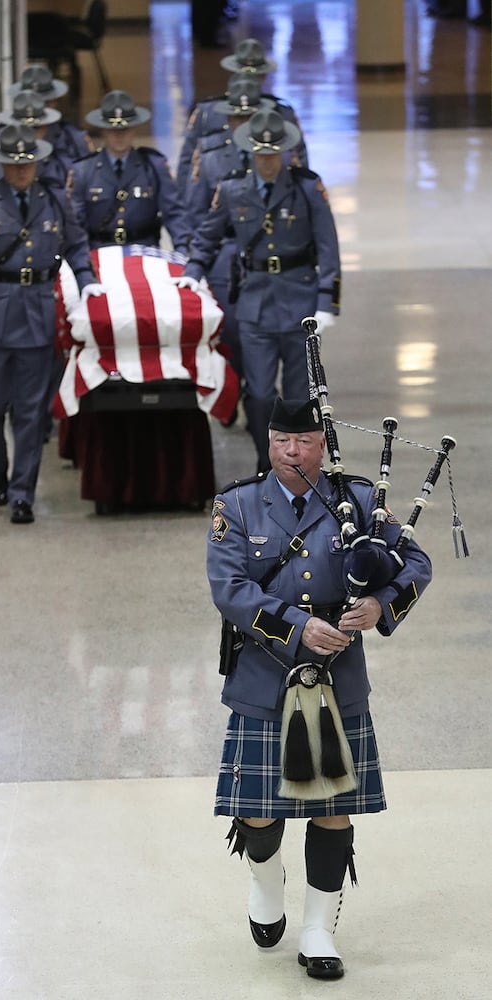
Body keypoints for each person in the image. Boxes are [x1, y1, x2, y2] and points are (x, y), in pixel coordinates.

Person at [207, 396, 432, 980]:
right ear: (269, 442)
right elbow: (229, 587)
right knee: (257, 812)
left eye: (304, 441)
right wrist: (297, 626)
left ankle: (318, 931)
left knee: (332, 811)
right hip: (264, 674)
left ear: (323, 445)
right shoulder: (237, 505)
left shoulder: (357, 501)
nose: (292, 452)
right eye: (282, 440)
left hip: (339, 680)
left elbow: (416, 562)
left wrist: (381, 603)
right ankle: (265, 883)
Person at [0, 124, 95, 524]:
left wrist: (87, 284)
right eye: (14, 164)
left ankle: (23, 492)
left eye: (28, 164)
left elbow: (76, 245)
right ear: (2, 165)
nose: (23, 171)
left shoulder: (55, 200)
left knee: (31, 412)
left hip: (38, 315)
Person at [181, 108, 340, 472]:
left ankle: (300, 467)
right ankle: (266, 461)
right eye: (261, 154)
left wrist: (327, 301)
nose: (268, 161)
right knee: (260, 393)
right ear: (251, 152)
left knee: (301, 395)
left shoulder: (306, 187)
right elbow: (207, 236)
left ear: (284, 152)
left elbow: (328, 244)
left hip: (300, 301)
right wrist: (193, 270)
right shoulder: (233, 188)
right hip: (254, 304)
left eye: (274, 154)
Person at [185, 74, 273, 379]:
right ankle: (236, 382)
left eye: (249, 116)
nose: (243, 123)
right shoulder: (209, 158)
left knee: (266, 331)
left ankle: (255, 391)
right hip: (225, 253)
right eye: (238, 117)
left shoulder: (277, 158)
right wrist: (197, 259)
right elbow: (196, 213)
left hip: (266, 255)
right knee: (232, 331)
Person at [177, 37, 308, 196]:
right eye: (243, 73)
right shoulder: (207, 112)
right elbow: (189, 162)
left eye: (256, 75)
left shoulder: (281, 113)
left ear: (264, 76)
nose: (249, 80)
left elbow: (299, 162)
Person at [67, 89, 191, 255]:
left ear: (134, 129)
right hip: (99, 254)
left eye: (125, 129)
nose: (119, 136)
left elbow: (175, 215)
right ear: (103, 130)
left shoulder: (153, 166)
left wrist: (183, 255)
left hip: (144, 253)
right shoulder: (83, 170)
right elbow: (76, 225)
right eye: (112, 129)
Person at [0, 90, 68, 187]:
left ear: (47, 127)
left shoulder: (58, 162)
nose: (29, 133)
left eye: (36, 128)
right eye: (23, 126)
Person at [9, 64, 94, 166]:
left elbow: (88, 174)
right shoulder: (5, 137)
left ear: (55, 102)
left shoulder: (73, 137)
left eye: (45, 103)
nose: (38, 110)